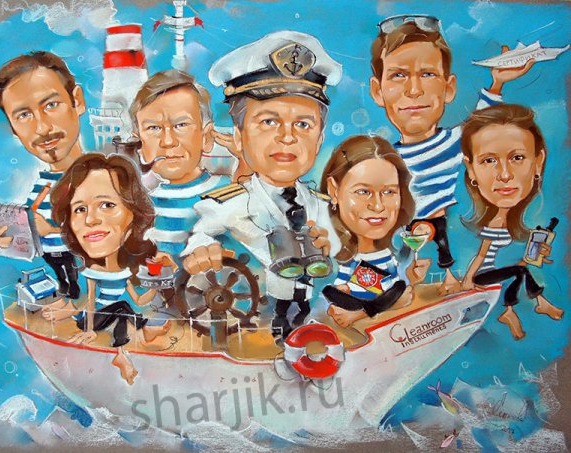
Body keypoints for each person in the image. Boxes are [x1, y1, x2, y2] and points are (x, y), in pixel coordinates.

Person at [181, 31, 341, 340]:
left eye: (303, 124)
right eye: (269, 122)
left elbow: (340, 250)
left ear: (320, 138)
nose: (287, 137)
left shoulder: (322, 205)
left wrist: (329, 246)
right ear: (239, 138)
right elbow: (201, 235)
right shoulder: (230, 203)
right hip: (256, 320)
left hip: (312, 310)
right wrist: (202, 250)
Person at [369, 15, 535, 294]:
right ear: (378, 91)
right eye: (398, 75)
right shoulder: (384, 162)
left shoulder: (457, 141)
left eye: (427, 74)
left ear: (449, 88)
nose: (414, 90)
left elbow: (481, 117)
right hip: (406, 240)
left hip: (450, 232)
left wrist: (497, 84)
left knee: (445, 248)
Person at [50, 153, 172, 384]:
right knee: (122, 309)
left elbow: (140, 300)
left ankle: (136, 340)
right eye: (79, 209)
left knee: (124, 309)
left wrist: (157, 284)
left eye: (107, 205)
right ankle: (126, 350)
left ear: (134, 216)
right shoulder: (91, 273)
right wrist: (88, 329)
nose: (91, 220)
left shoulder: (124, 273)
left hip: (115, 317)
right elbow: (89, 303)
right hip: (94, 319)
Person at [129, 70, 233, 308]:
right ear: (138, 142)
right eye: (154, 128)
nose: (168, 141)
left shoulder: (229, 194)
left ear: (206, 137)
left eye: (181, 125)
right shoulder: (140, 205)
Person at [460, 104, 563, 340]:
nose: (504, 174)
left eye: (517, 157)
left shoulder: (512, 225)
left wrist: (535, 255)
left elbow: (515, 263)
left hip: (497, 276)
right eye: (489, 160)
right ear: (471, 169)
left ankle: (512, 311)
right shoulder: (494, 223)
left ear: (538, 162)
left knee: (520, 270)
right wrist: (467, 280)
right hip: (482, 277)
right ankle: (533, 304)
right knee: (519, 271)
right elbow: (482, 255)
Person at [0, 51, 87, 300]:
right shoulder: (41, 184)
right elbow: (29, 227)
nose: (42, 128)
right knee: (62, 283)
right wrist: (12, 237)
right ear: (13, 128)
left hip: (94, 283)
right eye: (23, 115)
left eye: (51, 105)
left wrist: (52, 230)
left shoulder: (100, 179)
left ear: (77, 101)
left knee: (73, 281)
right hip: (50, 256)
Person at [320, 135, 430, 327]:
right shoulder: (326, 252)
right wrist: (342, 290)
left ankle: (361, 311)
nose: (378, 206)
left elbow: (395, 290)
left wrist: (410, 280)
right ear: (333, 190)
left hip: (385, 325)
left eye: (389, 192)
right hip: (353, 323)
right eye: (363, 192)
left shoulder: (390, 255)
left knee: (397, 289)